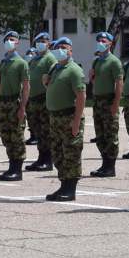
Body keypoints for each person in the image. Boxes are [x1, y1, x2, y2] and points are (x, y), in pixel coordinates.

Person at [44, 37, 85, 202]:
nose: (60, 50)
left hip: (69, 117)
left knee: (71, 153)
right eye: (58, 47)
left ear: (70, 51)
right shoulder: (54, 68)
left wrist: (76, 121)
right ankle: (63, 185)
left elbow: (81, 97)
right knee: (58, 153)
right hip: (55, 118)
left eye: (64, 47)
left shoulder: (74, 70)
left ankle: (70, 189)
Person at [0, 31, 30, 181]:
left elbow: (26, 87)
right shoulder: (3, 62)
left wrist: (22, 107)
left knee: (16, 136)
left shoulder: (21, 63)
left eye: (12, 39)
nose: (9, 41)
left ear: (17, 43)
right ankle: (11, 166)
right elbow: (0, 83)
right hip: (3, 102)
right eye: (7, 39)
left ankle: (17, 170)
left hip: (14, 102)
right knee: (6, 135)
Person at [89, 32, 123, 177]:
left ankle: (110, 167)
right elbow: (94, 82)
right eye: (99, 40)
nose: (100, 43)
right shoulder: (96, 61)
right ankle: (104, 164)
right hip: (98, 101)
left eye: (103, 41)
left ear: (110, 43)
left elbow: (119, 83)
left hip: (109, 100)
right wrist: (91, 78)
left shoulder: (114, 61)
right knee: (100, 134)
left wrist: (116, 103)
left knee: (110, 134)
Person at [25, 33, 56, 171]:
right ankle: (41, 158)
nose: (40, 43)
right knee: (37, 130)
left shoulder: (50, 58)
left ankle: (48, 161)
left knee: (45, 130)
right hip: (34, 100)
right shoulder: (35, 59)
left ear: (48, 43)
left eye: (43, 41)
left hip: (44, 99)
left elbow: (53, 78)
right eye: (38, 41)